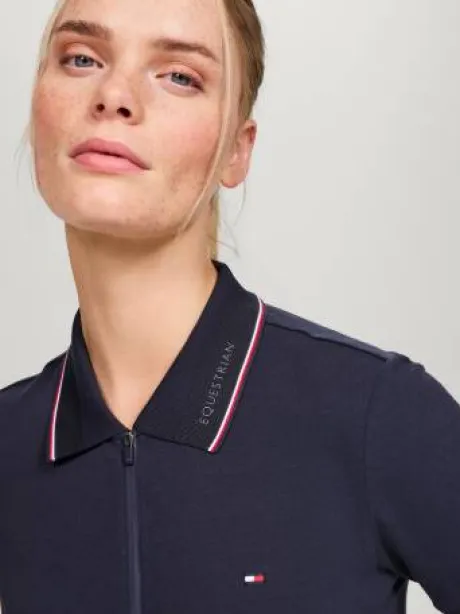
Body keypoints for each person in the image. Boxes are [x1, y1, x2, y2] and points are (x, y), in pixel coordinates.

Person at [0, 0, 459, 612]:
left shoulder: (380, 414)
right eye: (81, 59)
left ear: (236, 151)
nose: (113, 95)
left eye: (179, 75)